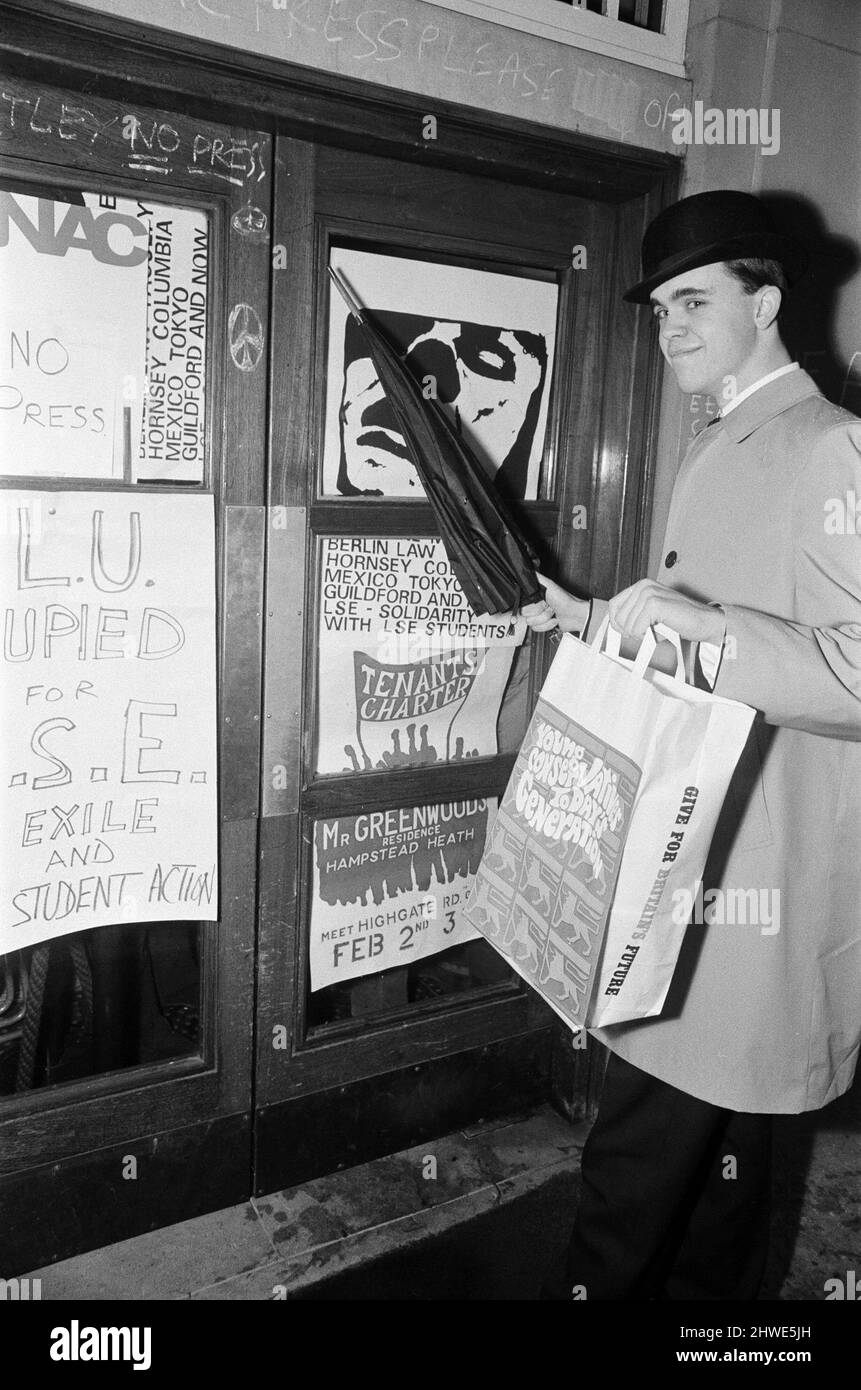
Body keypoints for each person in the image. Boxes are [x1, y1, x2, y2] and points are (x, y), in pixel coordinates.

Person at [524, 190, 861, 1300]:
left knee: (631, 1195)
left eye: (694, 299)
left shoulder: (828, 448)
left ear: (766, 300)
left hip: (748, 893)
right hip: (698, 871)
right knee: (720, 1206)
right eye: (661, 304)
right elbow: (702, 647)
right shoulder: (725, 435)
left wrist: (712, 630)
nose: (668, 324)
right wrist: (586, 618)